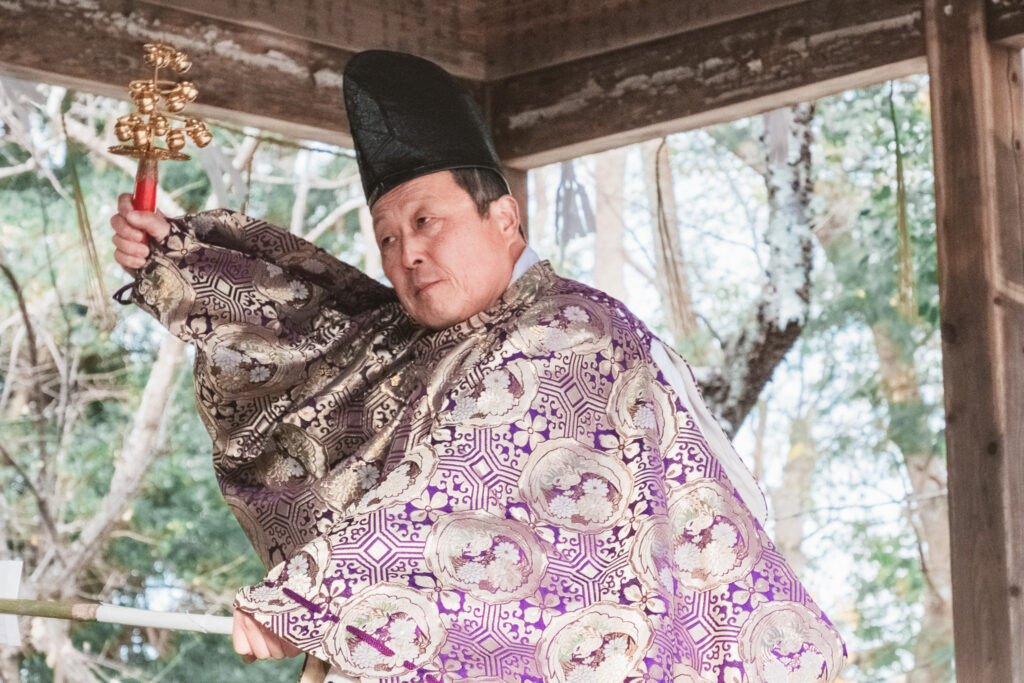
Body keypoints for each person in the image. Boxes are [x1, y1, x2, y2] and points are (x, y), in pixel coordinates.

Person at [111, 50, 845, 682]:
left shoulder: (575, 335)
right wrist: (178, 263)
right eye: (388, 237)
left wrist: (316, 593)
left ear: (505, 221)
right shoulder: (409, 341)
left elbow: (472, 487)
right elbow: (309, 335)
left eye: (426, 221)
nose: (408, 253)